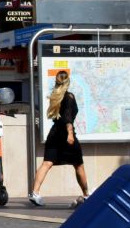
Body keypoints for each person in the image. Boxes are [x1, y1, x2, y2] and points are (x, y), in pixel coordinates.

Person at [29, 70, 89, 206]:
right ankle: (86, 195)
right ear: (68, 82)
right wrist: (70, 133)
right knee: (78, 164)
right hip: (65, 134)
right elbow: (68, 116)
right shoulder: (69, 97)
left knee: (47, 163)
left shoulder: (56, 96)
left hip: (54, 133)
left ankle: (35, 192)